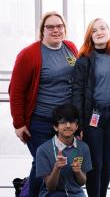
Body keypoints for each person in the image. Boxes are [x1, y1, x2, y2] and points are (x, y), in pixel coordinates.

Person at [9, 11, 78, 196]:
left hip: (65, 123)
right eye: (50, 27)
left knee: (54, 164)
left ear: (64, 28)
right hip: (40, 121)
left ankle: (25, 190)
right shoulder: (29, 54)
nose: (56, 30)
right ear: (42, 31)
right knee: (44, 162)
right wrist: (19, 124)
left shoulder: (70, 48)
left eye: (59, 26)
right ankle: (28, 193)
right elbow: (15, 91)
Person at [72, 18, 110, 197]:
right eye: (94, 30)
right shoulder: (84, 60)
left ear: (109, 31)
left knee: (107, 161)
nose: (99, 32)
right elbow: (77, 94)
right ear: (90, 36)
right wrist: (79, 124)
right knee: (95, 162)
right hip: (94, 116)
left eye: (103, 28)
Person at [36, 103, 92, 197]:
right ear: (55, 127)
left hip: (76, 194)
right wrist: (56, 168)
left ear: (77, 126)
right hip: (51, 194)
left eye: (72, 122)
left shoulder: (83, 147)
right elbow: (50, 187)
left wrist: (78, 172)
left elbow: (82, 183)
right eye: (63, 122)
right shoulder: (43, 150)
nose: (68, 126)